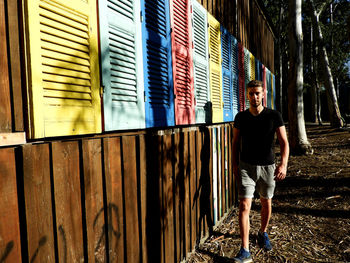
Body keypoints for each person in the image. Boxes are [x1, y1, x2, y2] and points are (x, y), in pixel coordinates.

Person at [232, 80, 289, 263]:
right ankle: (245, 250)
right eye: (250, 93)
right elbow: (234, 144)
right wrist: (234, 164)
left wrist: (283, 165)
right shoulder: (241, 117)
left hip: (268, 167)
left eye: (257, 93)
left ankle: (263, 232)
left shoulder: (274, 115)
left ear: (263, 94)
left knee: (266, 202)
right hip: (246, 167)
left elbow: (284, 142)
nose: (254, 97)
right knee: (244, 206)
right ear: (247, 95)